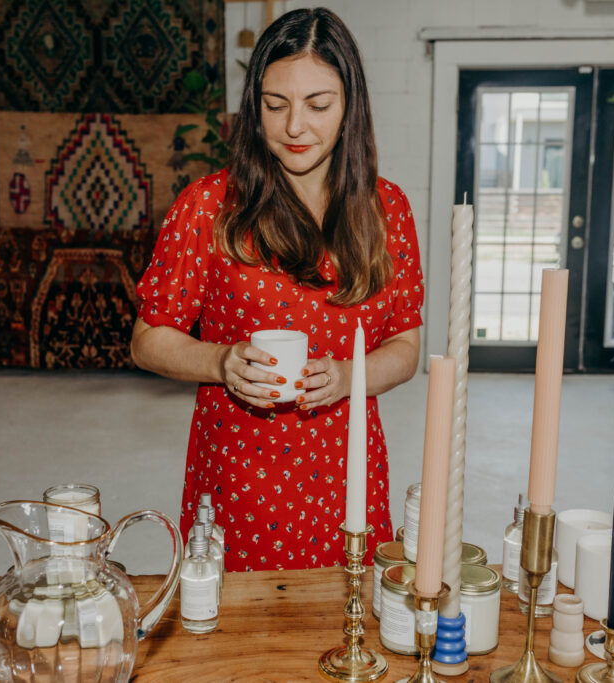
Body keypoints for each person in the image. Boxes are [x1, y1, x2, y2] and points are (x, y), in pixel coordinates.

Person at [131, 8, 423, 571]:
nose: (294, 127)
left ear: (350, 107)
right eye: (275, 104)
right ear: (253, 105)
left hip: (347, 470)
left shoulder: (388, 210)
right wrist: (220, 362)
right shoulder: (209, 206)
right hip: (239, 476)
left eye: (318, 105)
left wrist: (345, 377)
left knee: (347, 629)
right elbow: (148, 339)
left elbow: (405, 351)